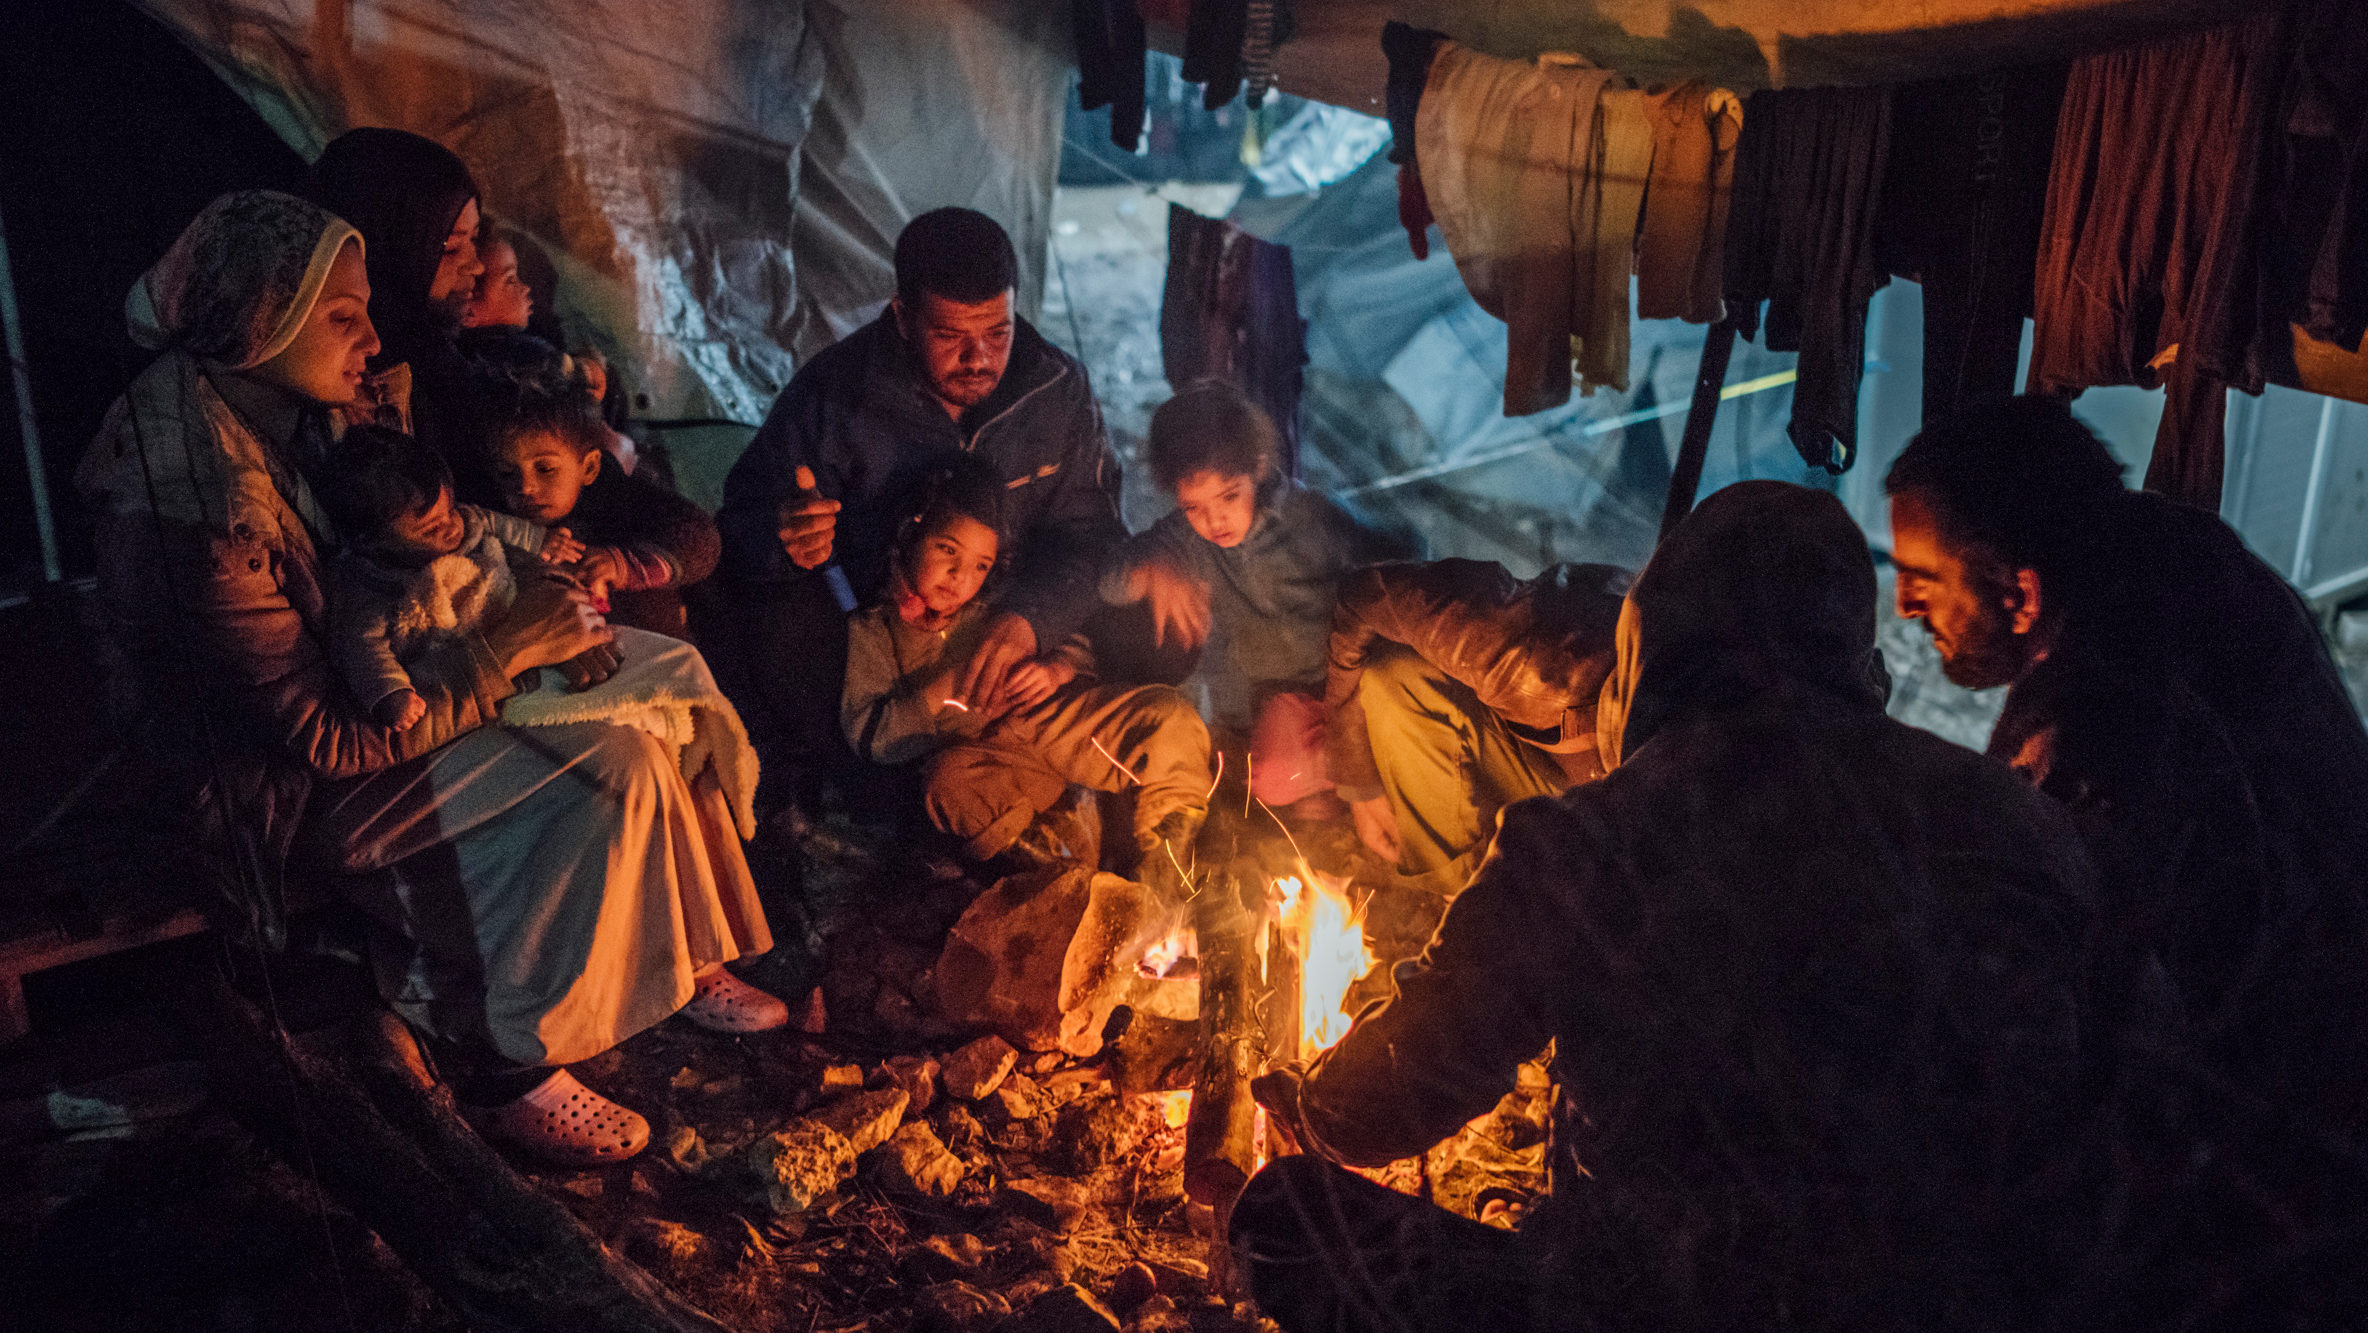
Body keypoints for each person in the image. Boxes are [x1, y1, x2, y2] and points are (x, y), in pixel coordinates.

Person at [1235, 482, 2100, 1333]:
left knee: (1282, 1219)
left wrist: (1314, 1105)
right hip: (1965, 1299)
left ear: (1647, 654)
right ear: (1855, 659)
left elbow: (1390, 1102)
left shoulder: (1589, 840)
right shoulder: (2011, 817)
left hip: (1666, 1297)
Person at [76, 191, 781, 1170]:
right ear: (258, 324)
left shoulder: (302, 416)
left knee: (655, 709)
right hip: (277, 793)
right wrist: (505, 652)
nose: (370, 337)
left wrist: (538, 582)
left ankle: (678, 960)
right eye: (341, 315)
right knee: (607, 771)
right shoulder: (201, 514)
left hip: (391, 697)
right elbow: (321, 741)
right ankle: (506, 1045)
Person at [1885, 394, 2368, 1323]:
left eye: (1922, 578)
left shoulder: (2093, 725)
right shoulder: (2176, 552)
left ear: (2021, 594)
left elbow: (2038, 960)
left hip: (2276, 1141)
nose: (1905, 606)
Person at [717, 207, 1124, 803]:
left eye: (998, 332)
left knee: (1150, 603)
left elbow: (1095, 537)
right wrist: (785, 536)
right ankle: (852, 794)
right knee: (776, 623)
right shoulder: (839, 393)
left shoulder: (1054, 392)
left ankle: (1051, 784)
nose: (979, 359)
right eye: (950, 336)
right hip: (881, 643)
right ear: (902, 317)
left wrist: (1029, 622)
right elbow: (739, 522)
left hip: (1007, 635)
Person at [841, 456, 1210, 894]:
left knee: (1166, 717)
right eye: (947, 551)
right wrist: (944, 690)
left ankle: (1166, 867)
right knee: (947, 787)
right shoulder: (876, 627)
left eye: (980, 565)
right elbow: (870, 734)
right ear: (910, 535)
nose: (960, 577)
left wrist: (1058, 668)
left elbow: (1072, 639)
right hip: (991, 763)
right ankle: (1057, 871)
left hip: (1051, 721)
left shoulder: (995, 605)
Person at [1099, 381, 1404, 809]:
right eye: (1194, 506)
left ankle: (1340, 787)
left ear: (1257, 469)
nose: (1213, 519)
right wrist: (1153, 569)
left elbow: (1402, 558)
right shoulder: (1182, 540)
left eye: (1228, 496)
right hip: (1253, 713)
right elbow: (1108, 578)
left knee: (1318, 768)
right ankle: (1311, 791)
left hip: (1334, 692)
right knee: (1262, 782)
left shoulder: (1312, 521)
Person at [1322, 557, 1628, 895]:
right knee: (1396, 684)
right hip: (1548, 761)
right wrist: (1360, 784)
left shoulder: (1677, 790)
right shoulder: (1522, 658)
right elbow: (1366, 595)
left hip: (1607, 827)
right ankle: (1457, 896)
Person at [314, 423, 574, 730]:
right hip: (453, 675)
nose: (452, 526)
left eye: (449, 511)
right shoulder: (370, 590)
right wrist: (391, 692)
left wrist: (539, 541)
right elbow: (361, 646)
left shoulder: (463, 523)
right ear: (371, 542)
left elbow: (493, 522)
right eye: (431, 528)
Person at [305, 127, 498, 505]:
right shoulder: (353, 388)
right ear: (390, 244)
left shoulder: (448, 357)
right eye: (449, 247)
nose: (475, 266)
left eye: (474, 239)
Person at [476, 367, 719, 639]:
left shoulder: (617, 499)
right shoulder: (494, 523)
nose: (524, 487)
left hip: (660, 652)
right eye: (507, 472)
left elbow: (701, 540)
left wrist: (623, 565)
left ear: (589, 468)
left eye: (545, 468)